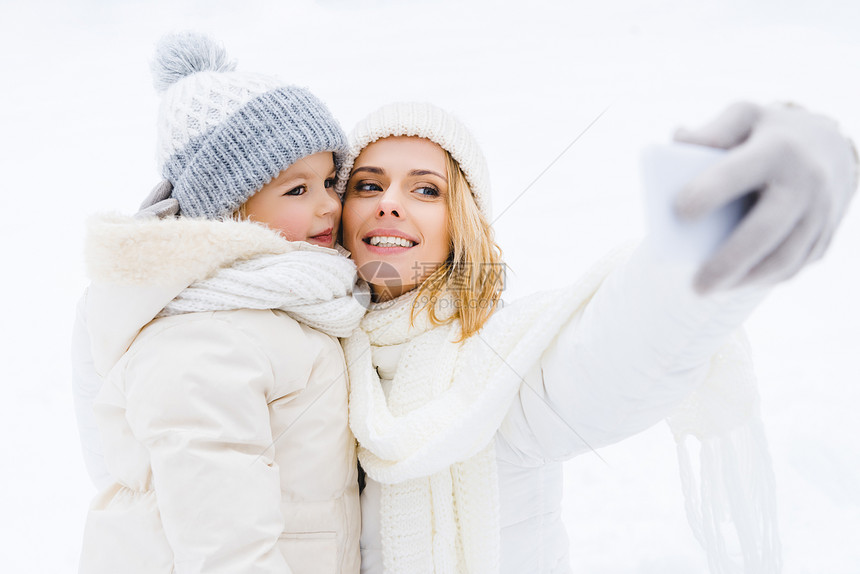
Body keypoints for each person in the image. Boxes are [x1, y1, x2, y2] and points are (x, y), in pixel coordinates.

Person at [334, 101, 857, 573]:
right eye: (368, 185)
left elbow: (620, 351)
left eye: (427, 189)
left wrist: (713, 238)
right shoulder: (320, 351)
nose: (389, 204)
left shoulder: (499, 362)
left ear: (461, 224)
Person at [76, 33, 364, 573]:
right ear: (229, 208)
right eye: (296, 190)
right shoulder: (207, 337)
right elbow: (224, 547)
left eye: (330, 180)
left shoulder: (293, 302)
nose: (330, 205)